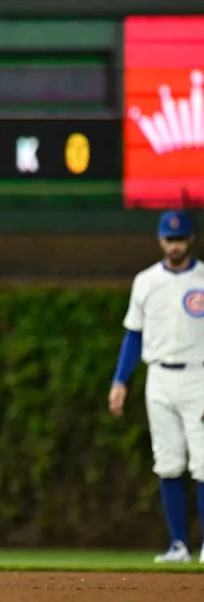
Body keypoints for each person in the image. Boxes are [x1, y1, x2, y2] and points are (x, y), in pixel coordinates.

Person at [109, 209, 204, 564]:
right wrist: (120, 381)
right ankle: (179, 545)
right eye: (169, 239)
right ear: (160, 240)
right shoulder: (146, 281)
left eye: (180, 239)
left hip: (199, 375)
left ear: (190, 240)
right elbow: (133, 335)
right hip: (160, 377)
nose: (175, 245)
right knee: (167, 462)